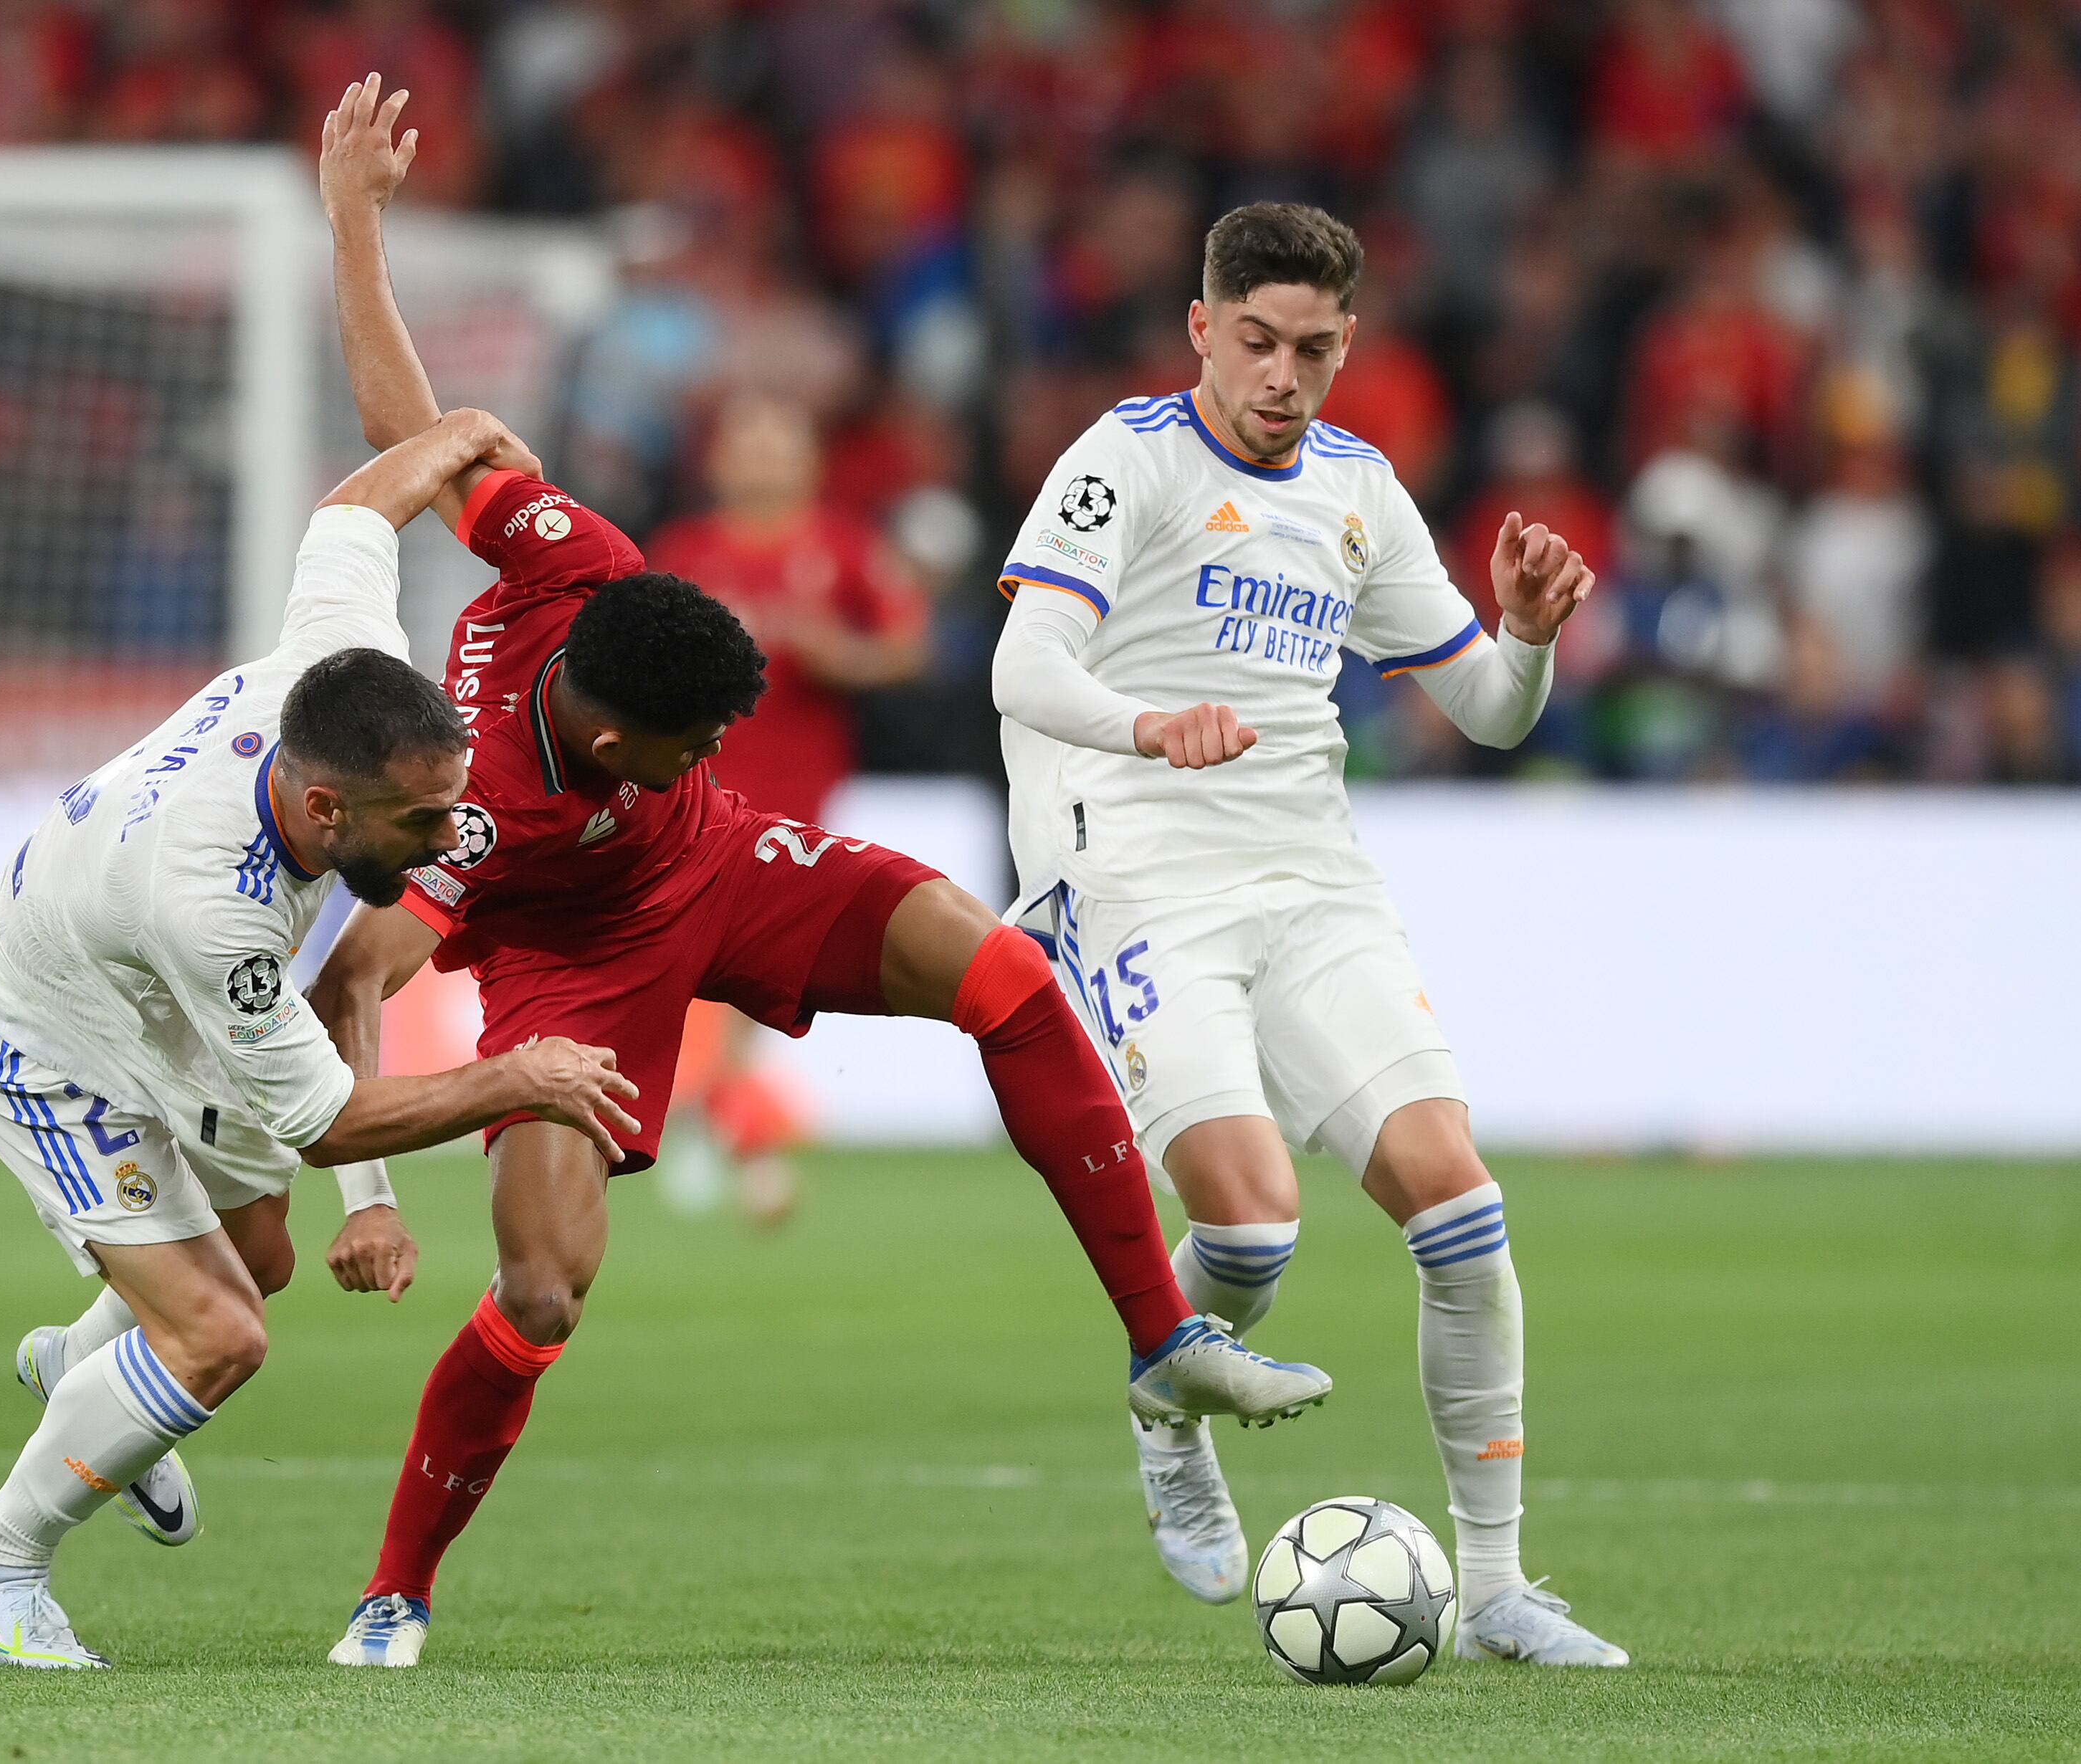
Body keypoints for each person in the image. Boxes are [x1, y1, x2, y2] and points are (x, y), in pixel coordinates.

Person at [308, 77, 1330, 1669]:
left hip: (726, 870)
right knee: (543, 1297)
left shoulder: (592, 571)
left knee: (1001, 974)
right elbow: (352, 984)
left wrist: (355, 222)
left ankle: (1160, 1343)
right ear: (609, 728)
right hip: (569, 972)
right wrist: (372, 1195)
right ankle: (396, 1591)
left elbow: (418, 434)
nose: (705, 742)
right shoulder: (477, 803)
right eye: (685, 738)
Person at [991, 202, 1629, 1667]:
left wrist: (1524, 636)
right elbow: (1021, 663)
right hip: (1136, 871)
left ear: (1349, 346)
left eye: (1315, 350)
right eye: (1258, 343)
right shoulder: (1126, 457)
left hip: (1310, 875)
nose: (1283, 377)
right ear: (1201, 328)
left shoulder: (1355, 488)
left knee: (1458, 1207)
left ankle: (1494, 1592)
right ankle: (1166, 1407)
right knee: (1251, 1221)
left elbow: (1483, 711)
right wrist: (1146, 722)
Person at [0, 405, 642, 1669]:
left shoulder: (342, 666)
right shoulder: (221, 909)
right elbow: (324, 1123)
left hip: (138, 994)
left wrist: (458, 429)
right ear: (321, 806)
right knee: (219, 1336)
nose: (445, 844)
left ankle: (81, 1376)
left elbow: (356, 509)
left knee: (259, 1261)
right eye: (421, 825)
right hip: (44, 1039)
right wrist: (514, 1078)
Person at [644, 391, 930, 1222]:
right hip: (684, 798)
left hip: (795, 810)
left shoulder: (841, 547)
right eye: (750, 445)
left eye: (780, 444)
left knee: (740, 976)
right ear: (719, 462)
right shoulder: (684, 552)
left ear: (807, 460)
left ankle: (725, 1136)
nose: (765, 461)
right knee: (720, 977)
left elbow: (906, 646)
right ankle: (727, 1136)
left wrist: (835, 653)